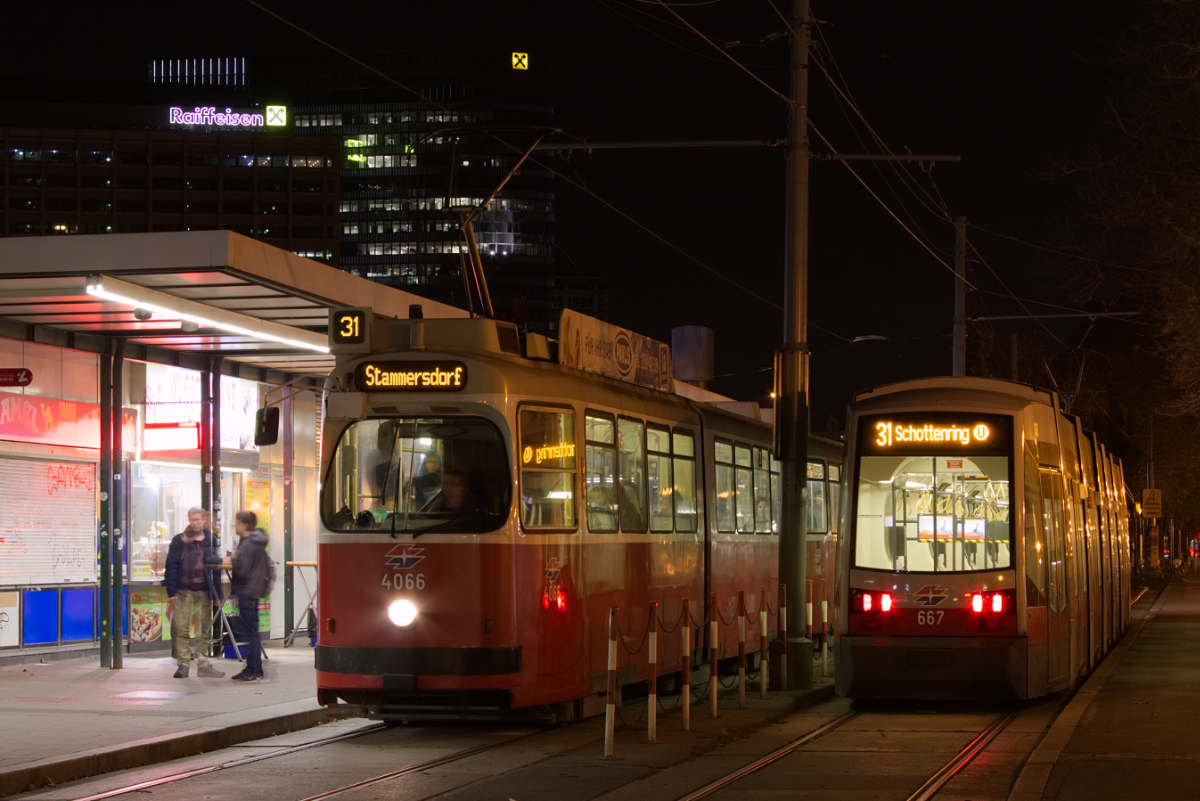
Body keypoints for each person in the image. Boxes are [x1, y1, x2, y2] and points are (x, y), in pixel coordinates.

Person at [164, 507, 225, 679]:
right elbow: (172, 566)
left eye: (198, 520)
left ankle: (203, 664)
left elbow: (216, 568)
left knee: (203, 629)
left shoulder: (211, 540)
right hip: (184, 590)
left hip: (203, 590)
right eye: (192, 520)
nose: (195, 523)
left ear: (204, 519)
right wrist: (171, 591)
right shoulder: (179, 540)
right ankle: (183, 663)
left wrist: (216, 594)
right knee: (181, 628)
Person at [229, 511, 270, 682]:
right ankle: (253, 667)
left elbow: (242, 570)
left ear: (245, 525)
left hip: (246, 590)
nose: (234, 526)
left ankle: (253, 669)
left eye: (237, 523)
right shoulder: (258, 542)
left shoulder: (246, 545)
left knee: (250, 631)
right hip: (254, 590)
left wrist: (233, 558)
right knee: (252, 630)